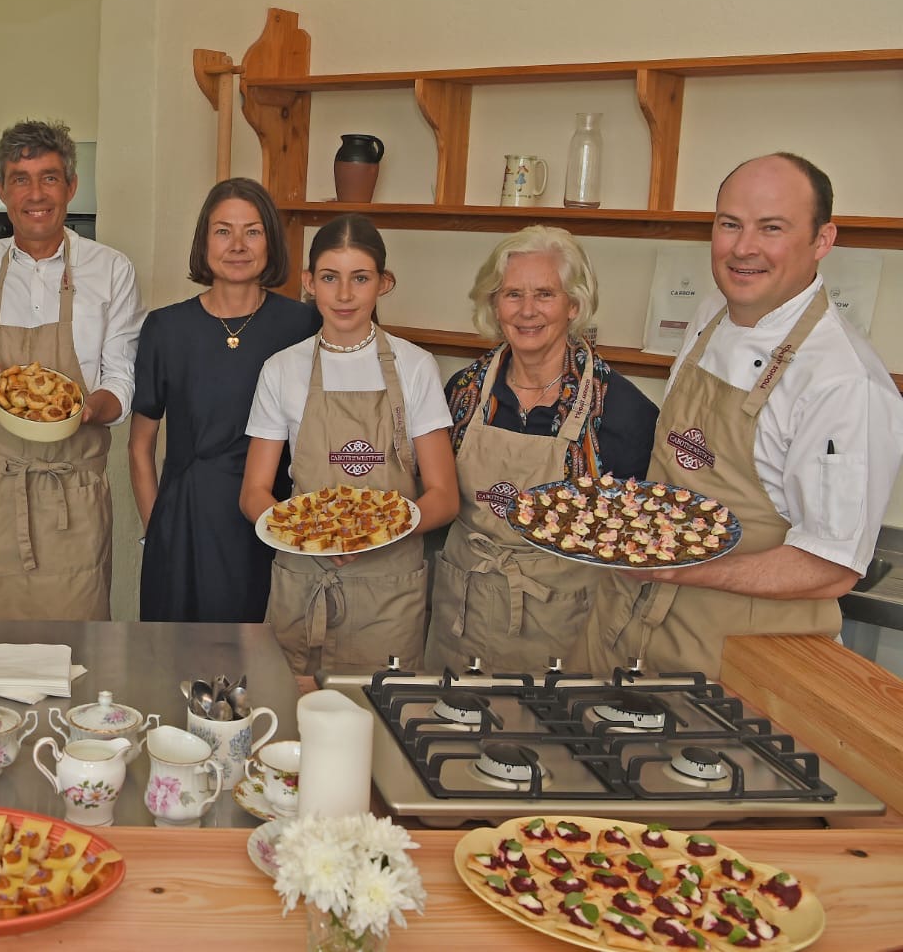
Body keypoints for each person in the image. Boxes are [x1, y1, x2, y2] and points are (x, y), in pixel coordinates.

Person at [587, 153, 903, 677]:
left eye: (771, 228)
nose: (742, 248)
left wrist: (677, 570)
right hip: (630, 623)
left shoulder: (845, 384)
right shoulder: (713, 310)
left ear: (822, 241)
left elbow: (830, 568)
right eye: (729, 224)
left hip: (740, 660)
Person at [0, 119, 145, 620]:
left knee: (73, 659)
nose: (35, 194)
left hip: (73, 495)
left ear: (70, 186)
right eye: (20, 179)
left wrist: (87, 408)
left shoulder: (111, 269)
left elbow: (121, 380)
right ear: (2, 190)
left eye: (49, 178)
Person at [426, 227, 659, 675]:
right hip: (462, 615)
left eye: (545, 294)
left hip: (562, 625)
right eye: (513, 294)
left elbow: (640, 540)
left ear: (574, 305)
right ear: (494, 304)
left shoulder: (619, 409)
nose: (527, 311)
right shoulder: (463, 393)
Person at [240, 214, 458, 674]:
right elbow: (254, 493)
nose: (343, 295)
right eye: (329, 278)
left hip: (390, 592)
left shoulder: (415, 366)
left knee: (383, 724)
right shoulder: (282, 369)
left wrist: (378, 532)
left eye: (360, 278)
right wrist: (311, 537)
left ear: (383, 283)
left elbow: (443, 497)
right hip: (301, 586)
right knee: (288, 719)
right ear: (308, 282)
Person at [129, 178, 319, 623]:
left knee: (263, 664)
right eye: (223, 231)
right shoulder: (165, 328)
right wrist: (157, 530)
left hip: (270, 521)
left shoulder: (303, 324)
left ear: (271, 241)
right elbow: (140, 445)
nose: (237, 245)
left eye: (252, 231)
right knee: (172, 666)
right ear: (203, 241)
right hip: (184, 524)